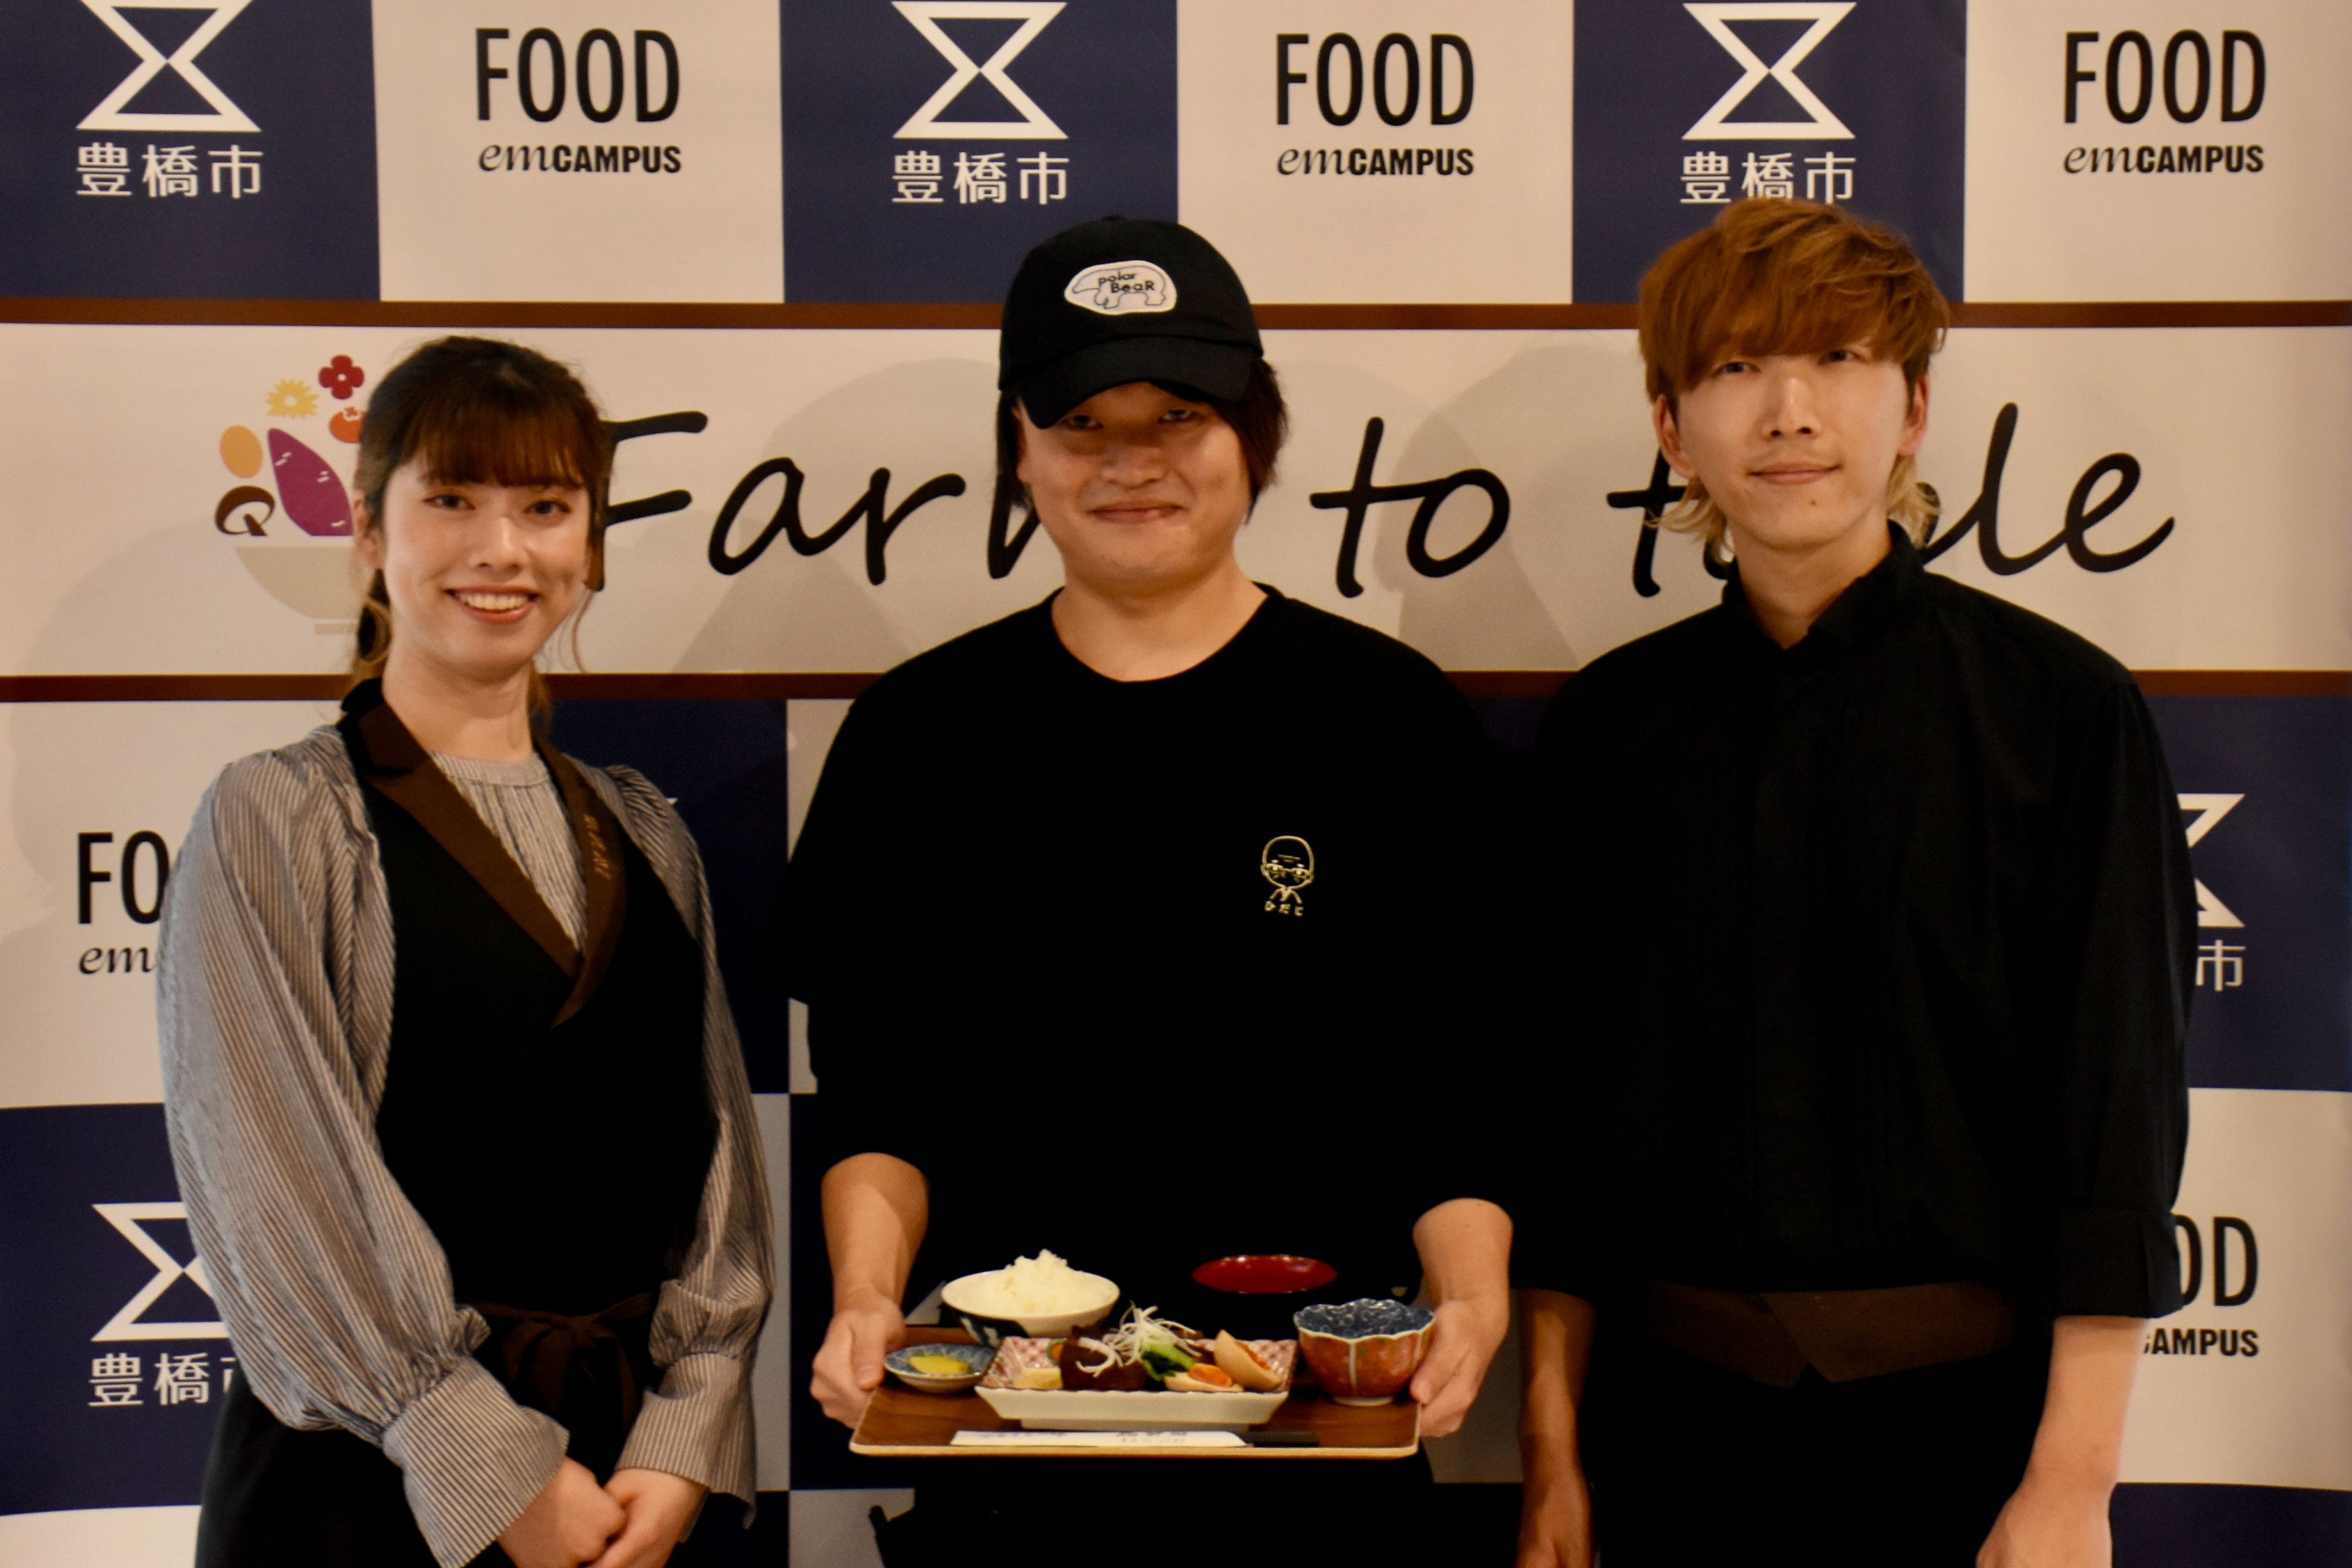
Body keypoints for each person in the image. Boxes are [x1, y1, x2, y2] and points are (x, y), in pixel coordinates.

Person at [782, 217, 1516, 1563]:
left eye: (1180, 414)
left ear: (1255, 436)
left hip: (1321, 1444)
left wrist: (1472, 1295)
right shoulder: (918, 734)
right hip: (1013, 1447)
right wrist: (868, 1296)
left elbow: (1458, 1084)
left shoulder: (1388, 719)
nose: (1132, 462)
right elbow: (877, 1094)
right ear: (1018, 449)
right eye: (1081, 424)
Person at [1513, 198, 2195, 1568]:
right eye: (1736, 368)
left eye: (1837, 359)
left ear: (1915, 409)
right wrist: (1551, 1458)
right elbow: (1562, 1125)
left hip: (1968, 1440)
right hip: (1662, 1439)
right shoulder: (1608, 729)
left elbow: (2115, 1123)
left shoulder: (2063, 712)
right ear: (1672, 429)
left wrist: (2072, 1485)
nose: (1790, 413)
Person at [159, 337, 772, 1568]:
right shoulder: (281, 816)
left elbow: (717, 1167)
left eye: (546, 507)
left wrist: (688, 1428)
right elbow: (276, 1184)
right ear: (368, 532)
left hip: (630, 1487)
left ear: (590, 544)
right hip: (363, 1488)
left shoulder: (645, 830)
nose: (502, 549)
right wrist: (483, 1462)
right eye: (451, 499)